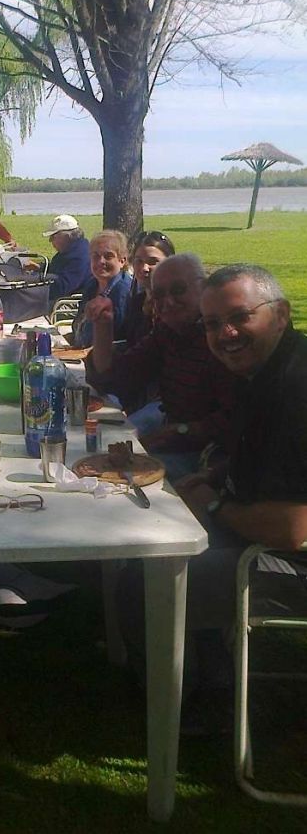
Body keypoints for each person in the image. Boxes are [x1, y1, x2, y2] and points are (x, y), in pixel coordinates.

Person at [119, 264, 307, 734]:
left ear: (280, 314)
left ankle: (185, 713)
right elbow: (260, 454)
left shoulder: (294, 389)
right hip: (263, 533)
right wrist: (215, 473)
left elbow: (294, 529)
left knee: (149, 576)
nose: (226, 334)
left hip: (287, 566)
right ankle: (213, 675)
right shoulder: (265, 370)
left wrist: (214, 503)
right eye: (211, 324)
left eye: (241, 317)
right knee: (154, 534)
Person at [85, 253, 236, 481]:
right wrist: (104, 325)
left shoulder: (223, 339)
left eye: (178, 291)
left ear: (203, 287)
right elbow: (116, 378)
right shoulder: (167, 332)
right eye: (159, 296)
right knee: (99, 453)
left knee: (112, 475)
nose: (168, 302)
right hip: (177, 438)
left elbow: (236, 420)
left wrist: (179, 431)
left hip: (216, 458)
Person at [72, 230, 132, 349]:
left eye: (108, 256)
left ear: (122, 260)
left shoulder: (123, 291)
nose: (101, 262)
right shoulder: (91, 285)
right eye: (96, 256)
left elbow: (118, 337)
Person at [123, 230, 176, 347]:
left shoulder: (175, 305)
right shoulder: (137, 302)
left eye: (153, 261)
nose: (144, 268)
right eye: (139, 261)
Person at [42, 213, 94, 305]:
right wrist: (40, 268)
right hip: (65, 298)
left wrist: (34, 290)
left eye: (53, 237)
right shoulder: (70, 250)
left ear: (66, 236)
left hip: (74, 303)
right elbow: (58, 270)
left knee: (29, 306)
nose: (50, 241)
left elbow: (62, 287)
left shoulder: (79, 256)